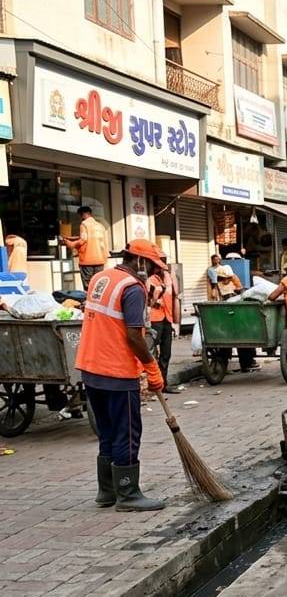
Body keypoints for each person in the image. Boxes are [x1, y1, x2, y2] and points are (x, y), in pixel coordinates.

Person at [76, 239, 168, 512]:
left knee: (107, 432)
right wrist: (152, 366)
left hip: (91, 368)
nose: (153, 272)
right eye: (152, 266)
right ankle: (127, 494)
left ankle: (106, 492)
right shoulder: (132, 288)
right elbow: (134, 336)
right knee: (127, 433)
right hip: (116, 371)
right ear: (139, 260)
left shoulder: (100, 278)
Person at [146, 256, 179, 390]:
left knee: (166, 352)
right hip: (155, 318)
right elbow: (148, 300)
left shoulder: (169, 277)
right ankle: (153, 382)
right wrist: (156, 302)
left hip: (167, 318)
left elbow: (175, 295)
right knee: (152, 349)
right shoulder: (150, 280)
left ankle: (163, 383)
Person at [62, 205, 110, 288]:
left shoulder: (84, 224)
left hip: (87, 260)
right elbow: (97, 240)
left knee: (88, 286)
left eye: (80, 216)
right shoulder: (100, 226)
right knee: (97, 285)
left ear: (83, 214)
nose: (80, 218)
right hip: (100, 260)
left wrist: (70, 244)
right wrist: (73, 238)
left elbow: (83, 240)